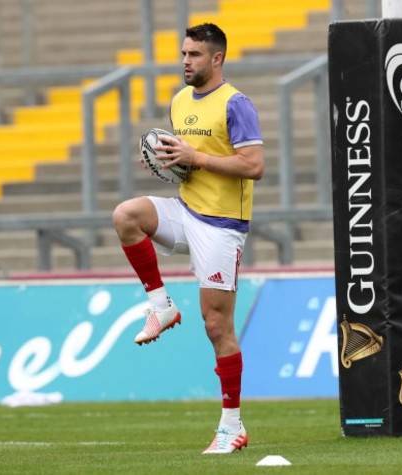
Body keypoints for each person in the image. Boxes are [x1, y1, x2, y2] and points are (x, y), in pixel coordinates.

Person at [112, 23, 264, 455]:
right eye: (183, 54)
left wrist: (193, 156)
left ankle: (231, 426)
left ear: (216, 59)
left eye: (195, 55)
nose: (185, 61)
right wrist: (168, 161)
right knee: (126, 216)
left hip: (221, 225)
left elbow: (253, 166)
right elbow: (186, 161)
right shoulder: (179, 100)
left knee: (217, 326)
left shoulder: (236, 104)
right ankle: (161, 306)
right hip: (186, 210)